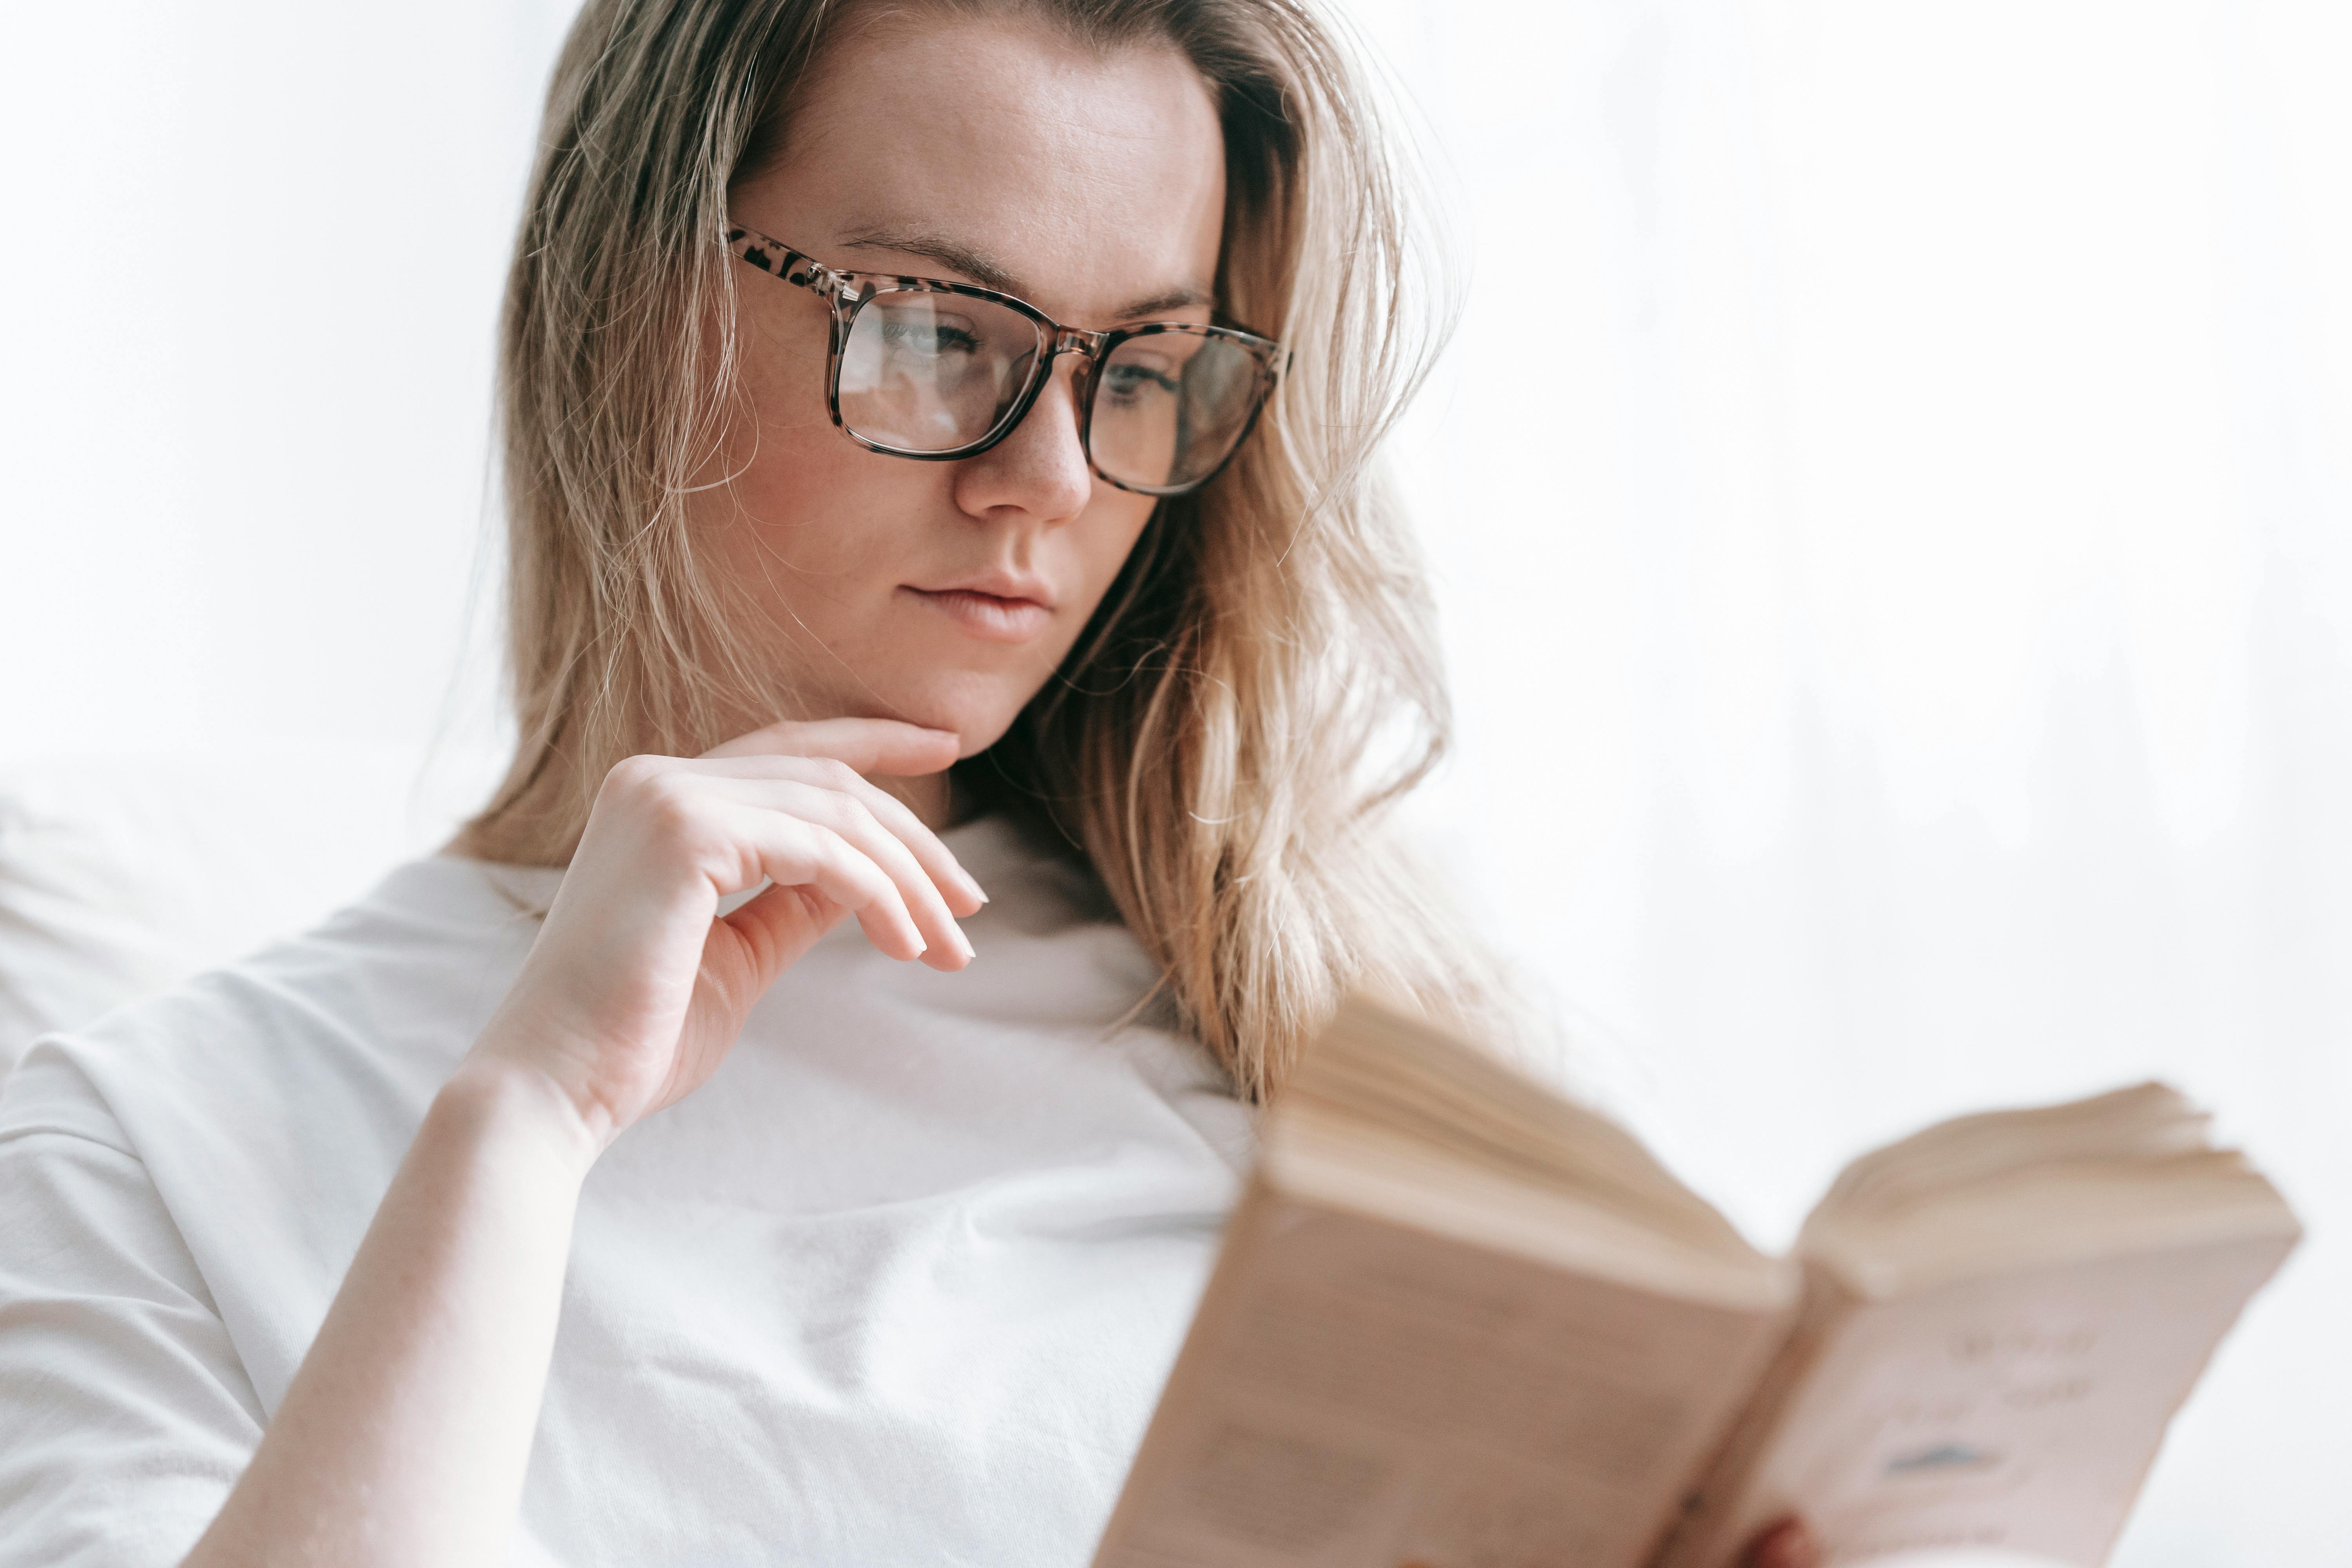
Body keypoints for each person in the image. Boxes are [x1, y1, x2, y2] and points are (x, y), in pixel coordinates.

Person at [0, 0, 1817, 1563]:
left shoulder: (1358, 1020)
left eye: (1144, 368)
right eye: (942, 331)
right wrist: (532, 1112)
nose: (1051, 479)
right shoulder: (150, 1150)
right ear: (623, 300)